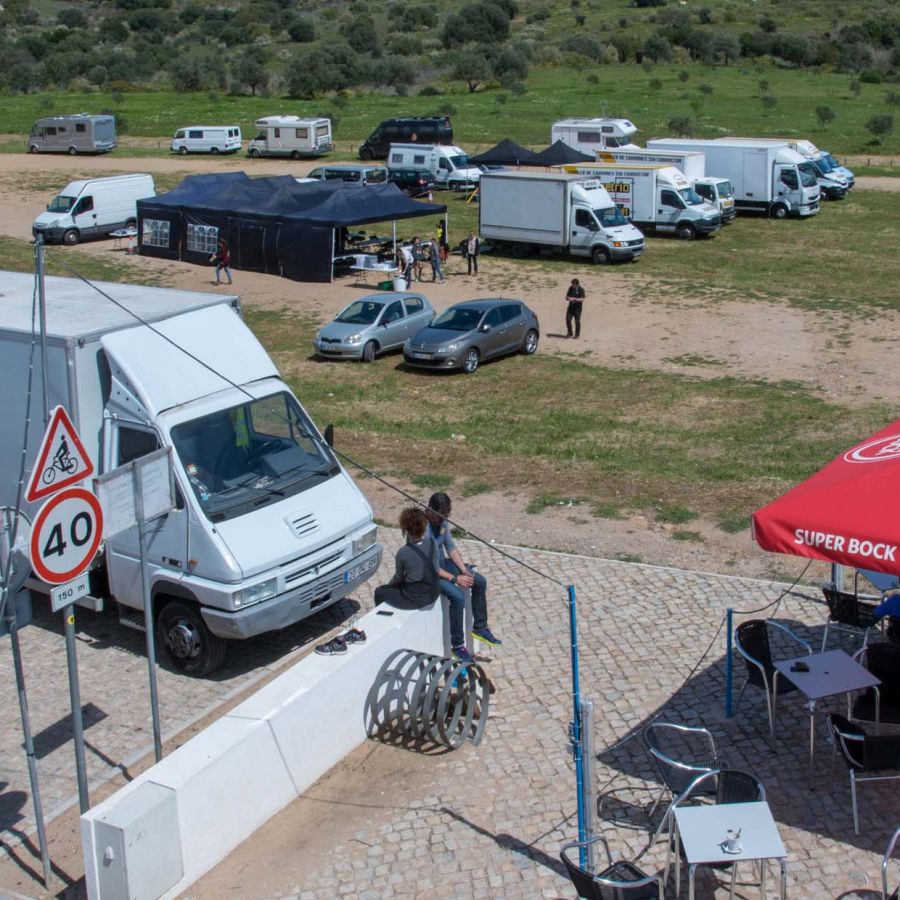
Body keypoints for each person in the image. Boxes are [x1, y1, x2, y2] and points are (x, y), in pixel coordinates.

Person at [426, 492, 501, 662]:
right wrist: (455, 579)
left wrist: (462, 569)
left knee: (479, 581)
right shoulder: (423, 529)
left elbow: (450, 548)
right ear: (430, 510)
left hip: (442, 564)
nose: (444, 518)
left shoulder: (443, 523)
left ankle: (480, 627)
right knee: (457, 597)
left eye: (447, 514)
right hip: (430, 573)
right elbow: (431, 565)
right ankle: (458, 645)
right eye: (441, 515)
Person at [373, 507, 439, 609]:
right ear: (424, 526)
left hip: (416, 598)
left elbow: (398, 578)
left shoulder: (403, 552)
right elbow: (436, 569)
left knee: (379, 592)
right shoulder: (432, 543)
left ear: (406, 529)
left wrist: (388, 586)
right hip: (433, 592)